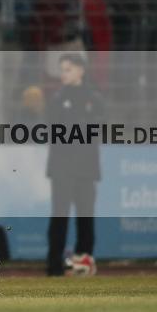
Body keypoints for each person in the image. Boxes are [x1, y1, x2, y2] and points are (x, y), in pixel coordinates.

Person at [46, 54, 104, 276]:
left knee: (85, 218)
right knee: (59, 217)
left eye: (68, 69)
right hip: (62, 168)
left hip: (86, 168)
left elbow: (100, 127)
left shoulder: (94, 98)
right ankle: (54, 265)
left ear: (81, 70)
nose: (64, 74)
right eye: (62, 70)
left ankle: (84, 263)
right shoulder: (57, 99)